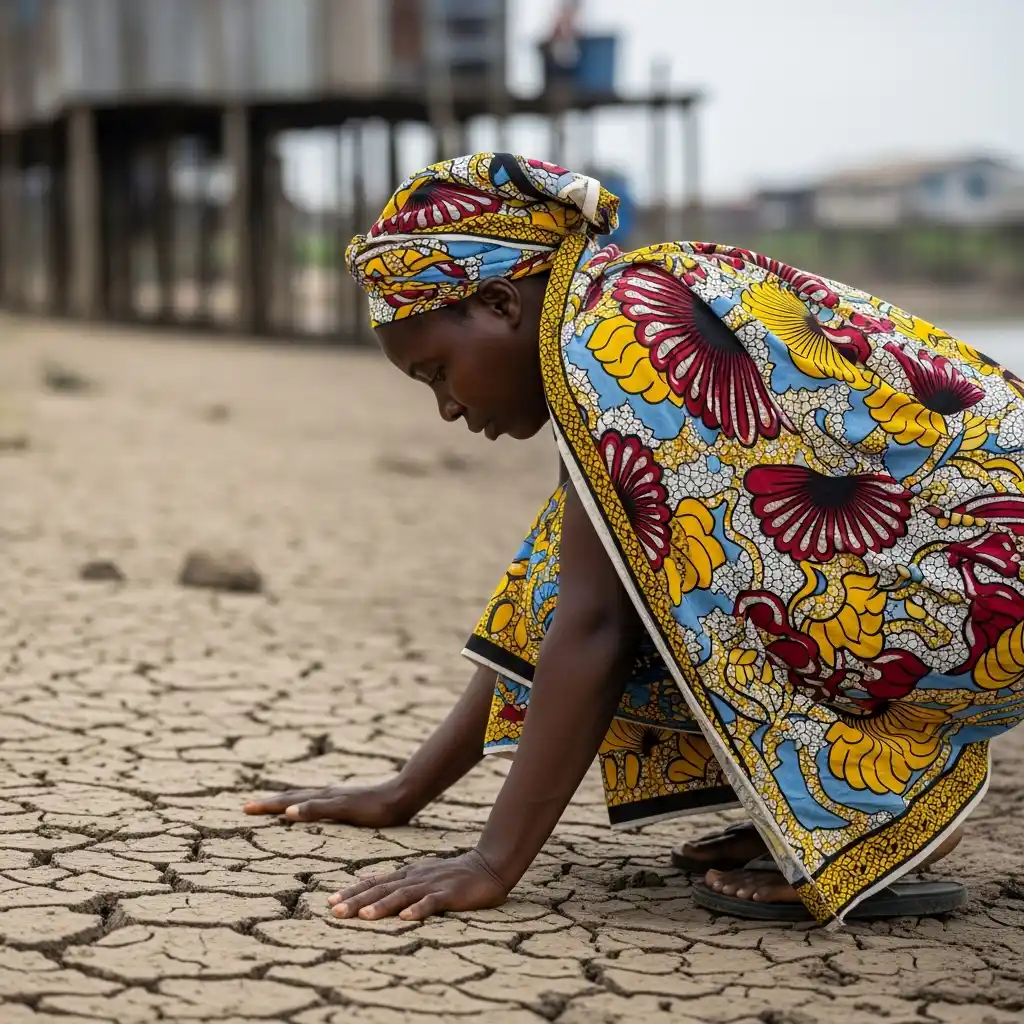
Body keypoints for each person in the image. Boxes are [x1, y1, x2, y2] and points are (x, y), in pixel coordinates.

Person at [245, 153, 1024, 926]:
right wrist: (407, 790)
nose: (447, 407)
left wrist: (493, 862)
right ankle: (850, 812)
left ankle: (883, 814)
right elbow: (558, 597)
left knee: (667, 576)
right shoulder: (608, 309)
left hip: (984, 575)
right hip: (978, 570)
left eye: (438, 372)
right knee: (599, 548)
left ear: (498, 304)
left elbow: (594, 626)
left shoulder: (609, 341)